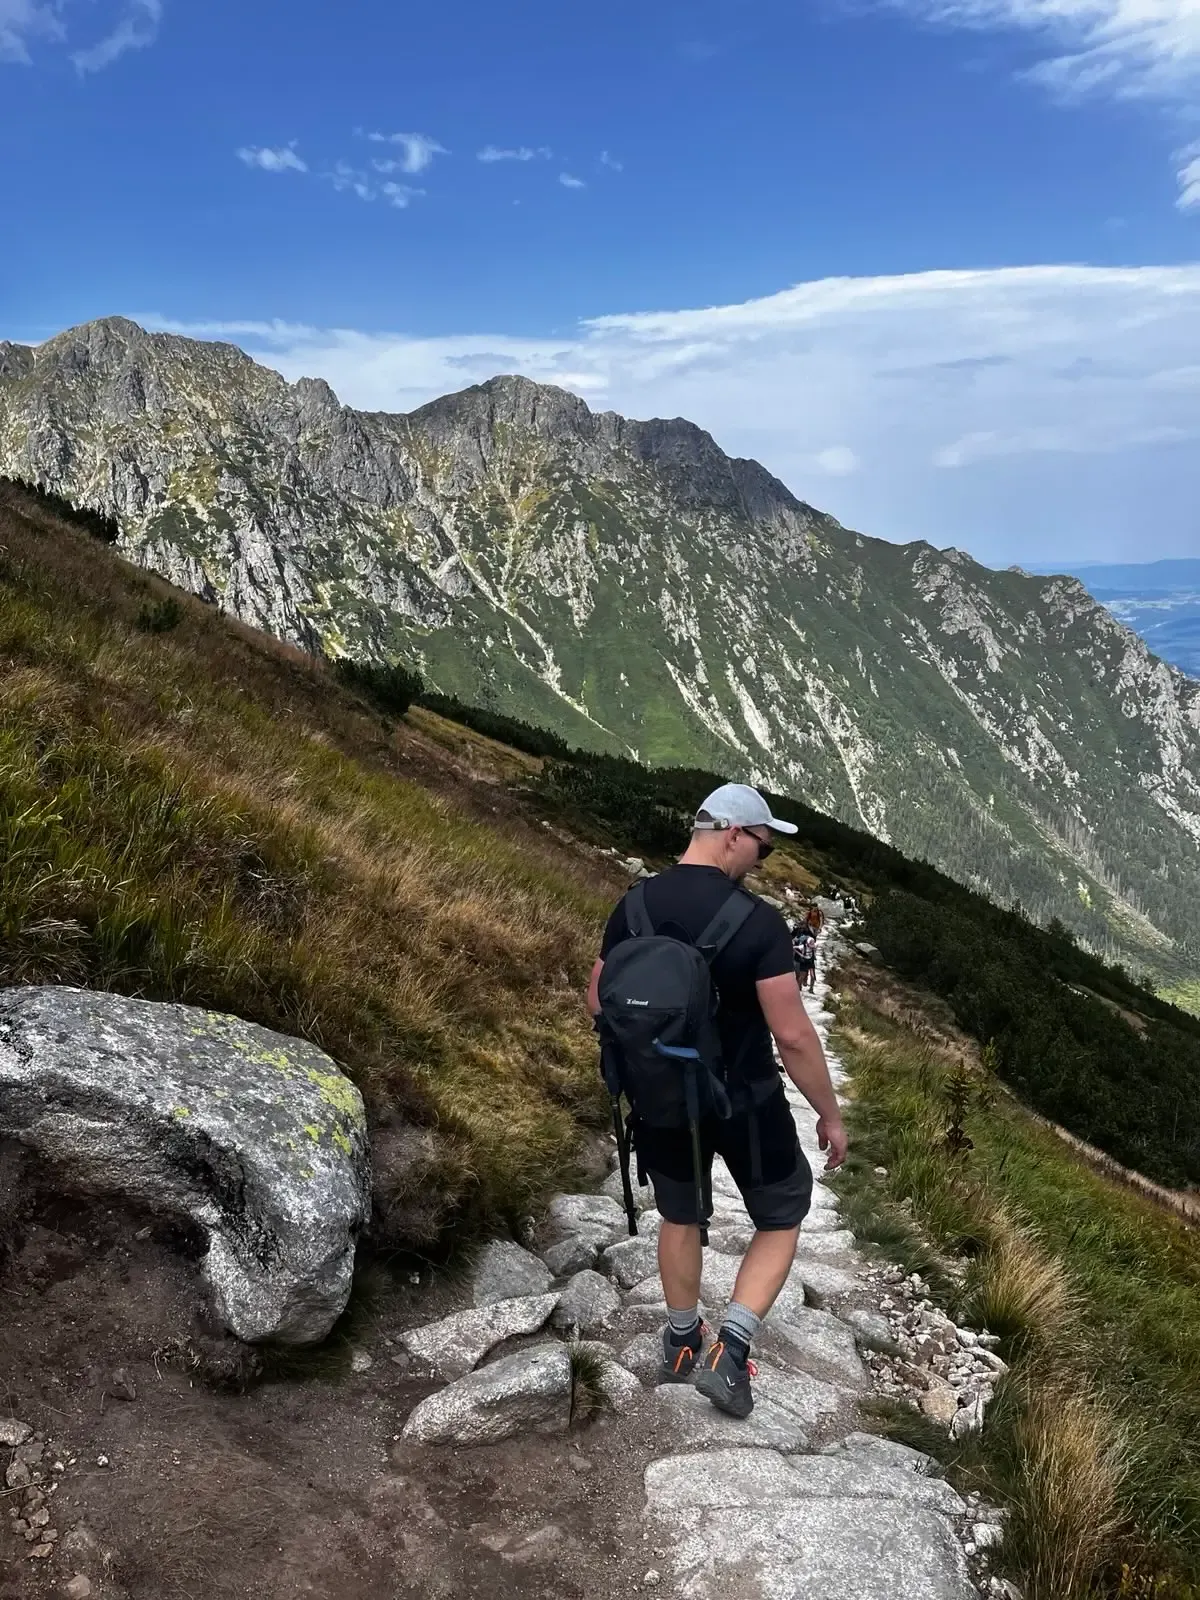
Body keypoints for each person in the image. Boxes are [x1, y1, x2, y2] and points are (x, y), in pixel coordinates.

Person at [587, 783, 847, 1419]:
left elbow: (598, 999)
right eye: (761, 847)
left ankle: (680, 1341)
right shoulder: (755, 923)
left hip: (665, 1099)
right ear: (733, 834)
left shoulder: (634, 906)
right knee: (783, 1213)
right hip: (747, 1100)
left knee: (680, 1216)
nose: (761, 861)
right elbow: (791, 1034)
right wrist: (831, 1115)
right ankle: (730, 1351)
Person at [792, 924, 817, 993]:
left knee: (807, 975)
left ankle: (806, 988)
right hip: (807, 961)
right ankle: (801, 987)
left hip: (805, 960)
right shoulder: (805, 943)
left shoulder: (798, 938)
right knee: (804, 975)